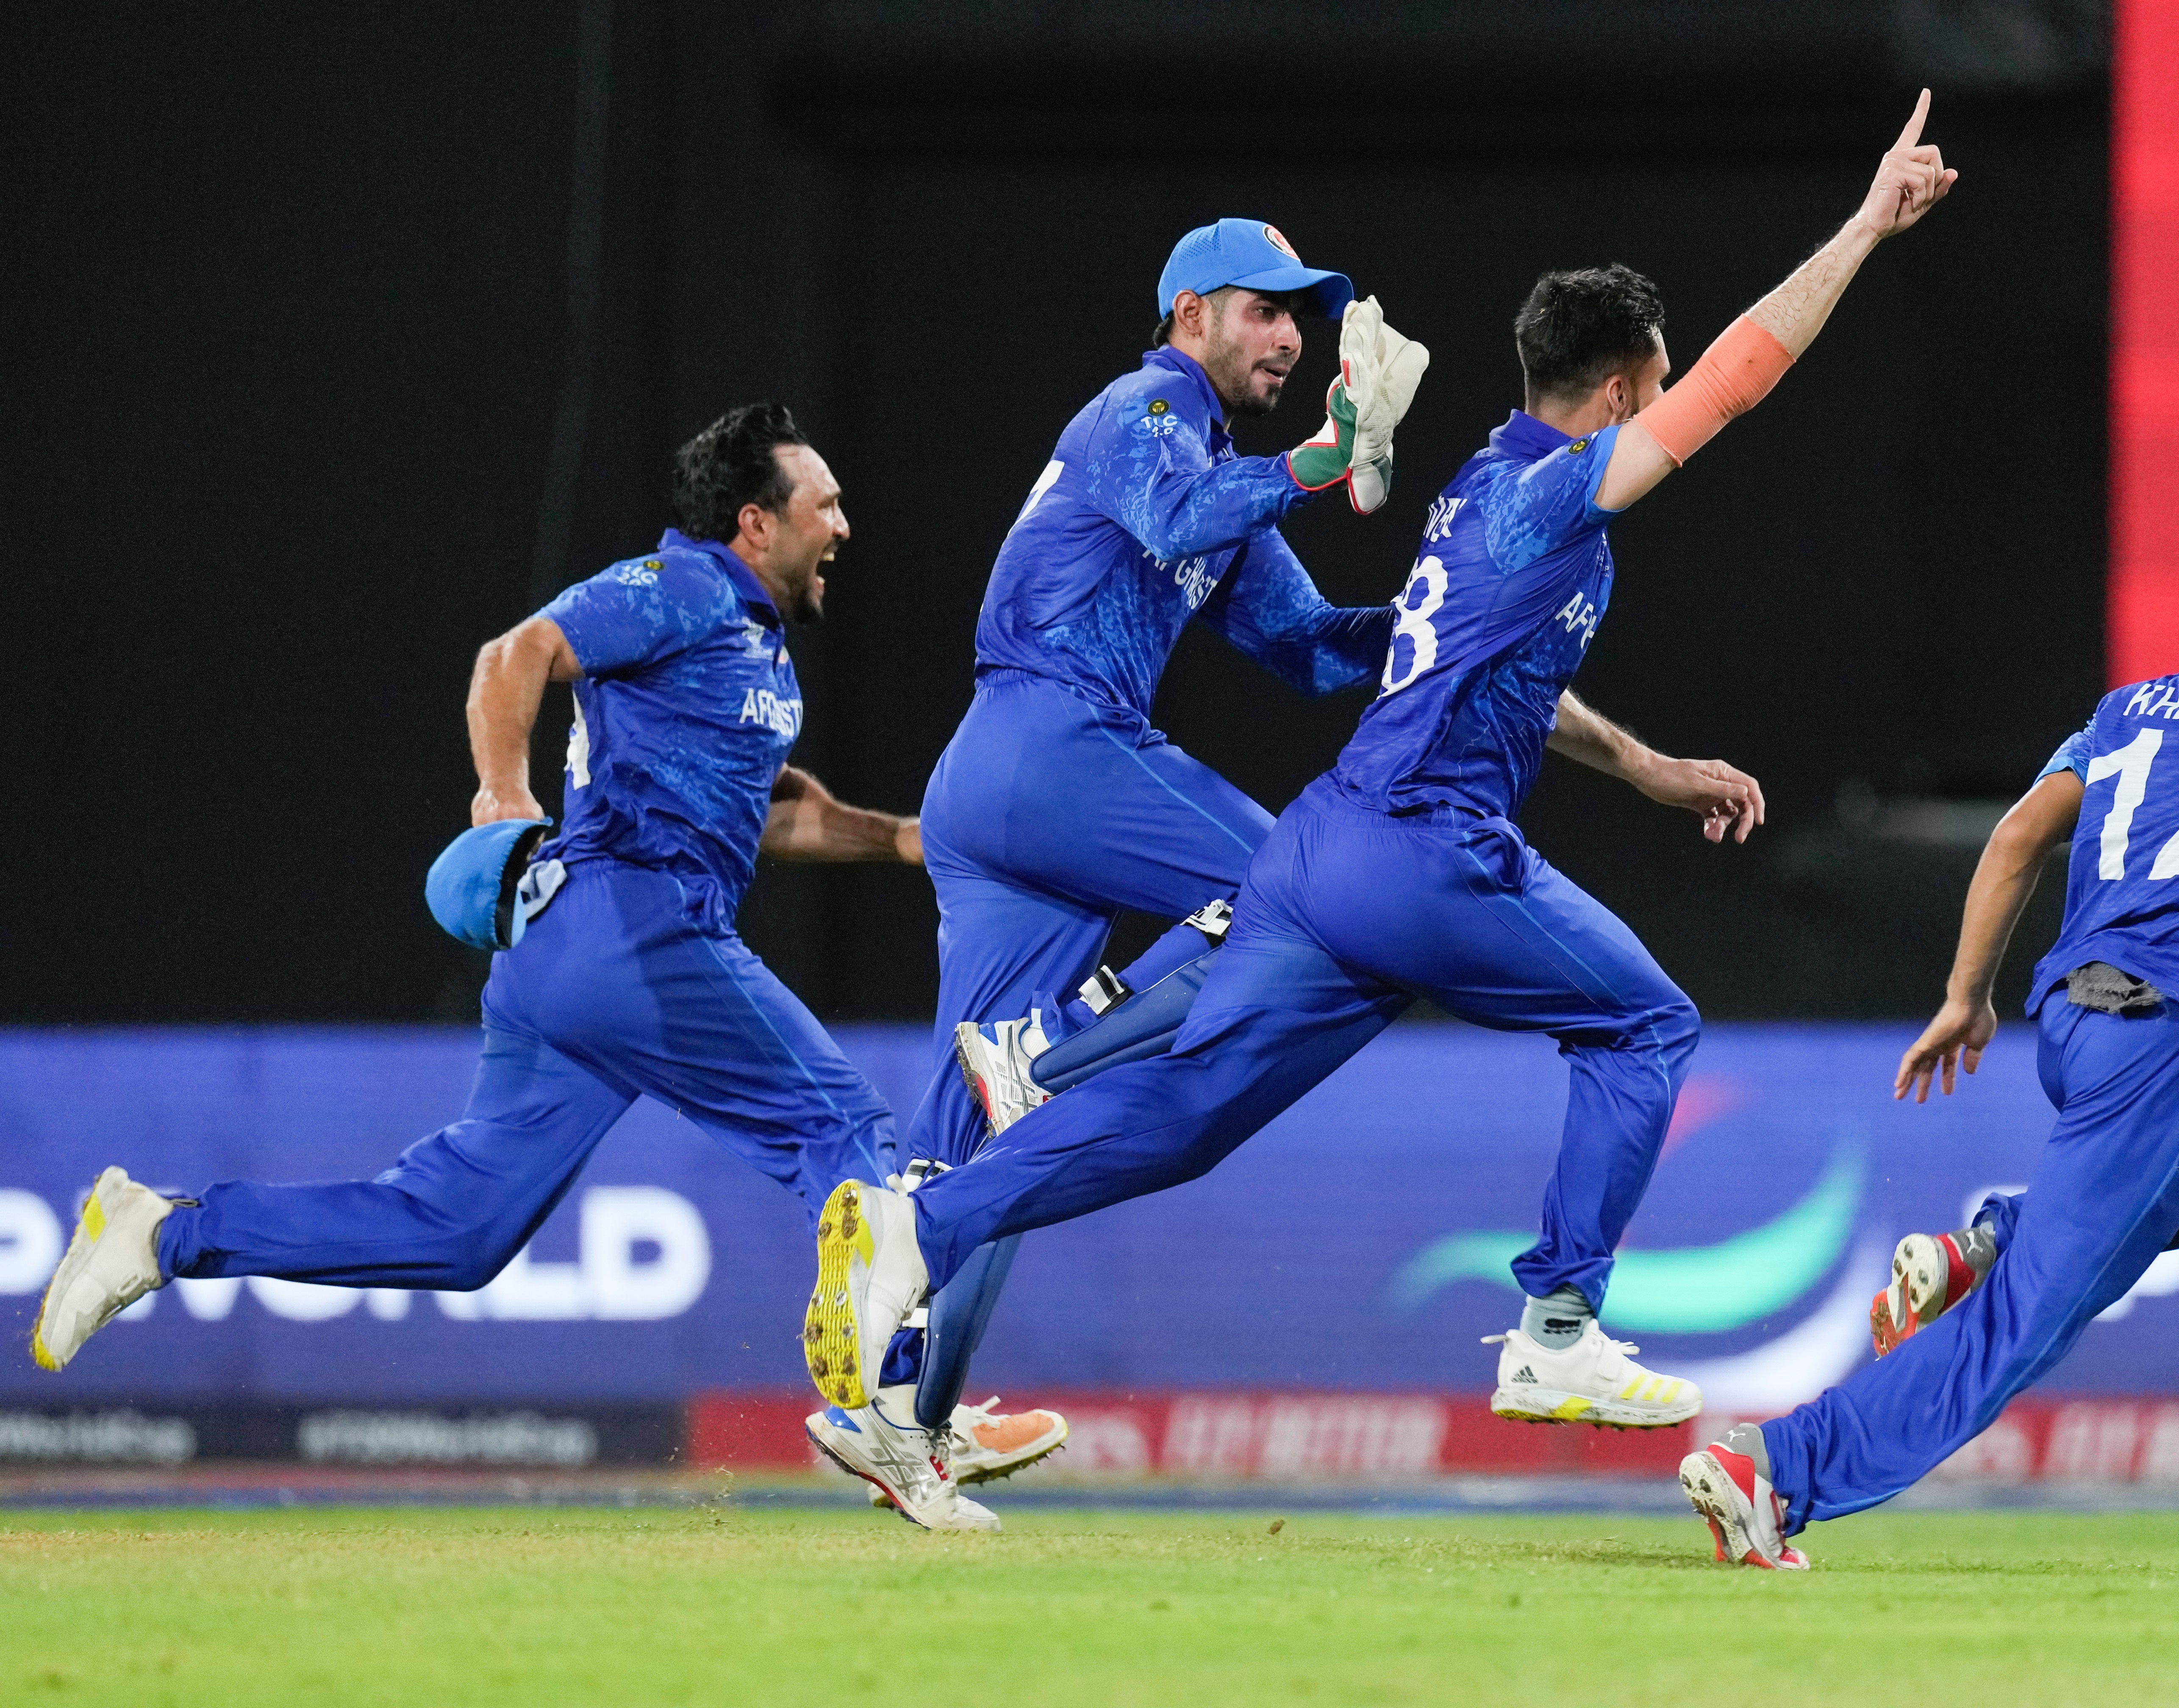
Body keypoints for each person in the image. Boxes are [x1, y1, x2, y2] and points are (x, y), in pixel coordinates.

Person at [804, 95, 1960, 1435]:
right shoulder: (1513, 482)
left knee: (1185, 1124)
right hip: (1375, 834)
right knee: (1646, 1025)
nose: (1291, 333)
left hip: (1326, 851)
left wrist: (1645, 764)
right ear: (1630, 386)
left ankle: (923, 1233)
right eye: (1265, 308)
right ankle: (1556, 1327)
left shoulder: (1475, 489)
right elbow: (1743, 377)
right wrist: (1868, 225)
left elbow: (1354, 653)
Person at [28, 404, 1014, 1530]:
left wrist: (898, 841)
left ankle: (159, 1232)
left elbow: (775, 813)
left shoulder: (750, 641)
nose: (843, 521)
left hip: (569, 971)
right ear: (755, 524)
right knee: (848, 1134)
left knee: (455, 1234)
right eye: (823, 502)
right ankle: (894, 1416)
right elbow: (519, 654)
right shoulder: (682, 586)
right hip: (631, 924)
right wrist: (503, 792)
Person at [1678, 519, 2179, 1569]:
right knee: (2026, 1322)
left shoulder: (2127, 709)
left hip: (2076, 1021)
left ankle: (1993, 1239)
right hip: (2172, 1043)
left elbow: (2015, 837)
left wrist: (1967, 997)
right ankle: (1777, 1465)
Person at [847, 220, 1426, 1453]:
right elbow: (1174, 513)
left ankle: (905, 1414)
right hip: (1046, 742)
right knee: (1306, 888)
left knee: (985, 1147)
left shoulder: (1226, 478)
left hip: (1001, 790)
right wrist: (1326, 455)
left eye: (1297, 316)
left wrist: (1441, 612)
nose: (1288, 335)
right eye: (1263, 309)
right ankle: (1054, 1046)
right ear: (1188, 315)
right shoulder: (1140, 406)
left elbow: (1307, 649)